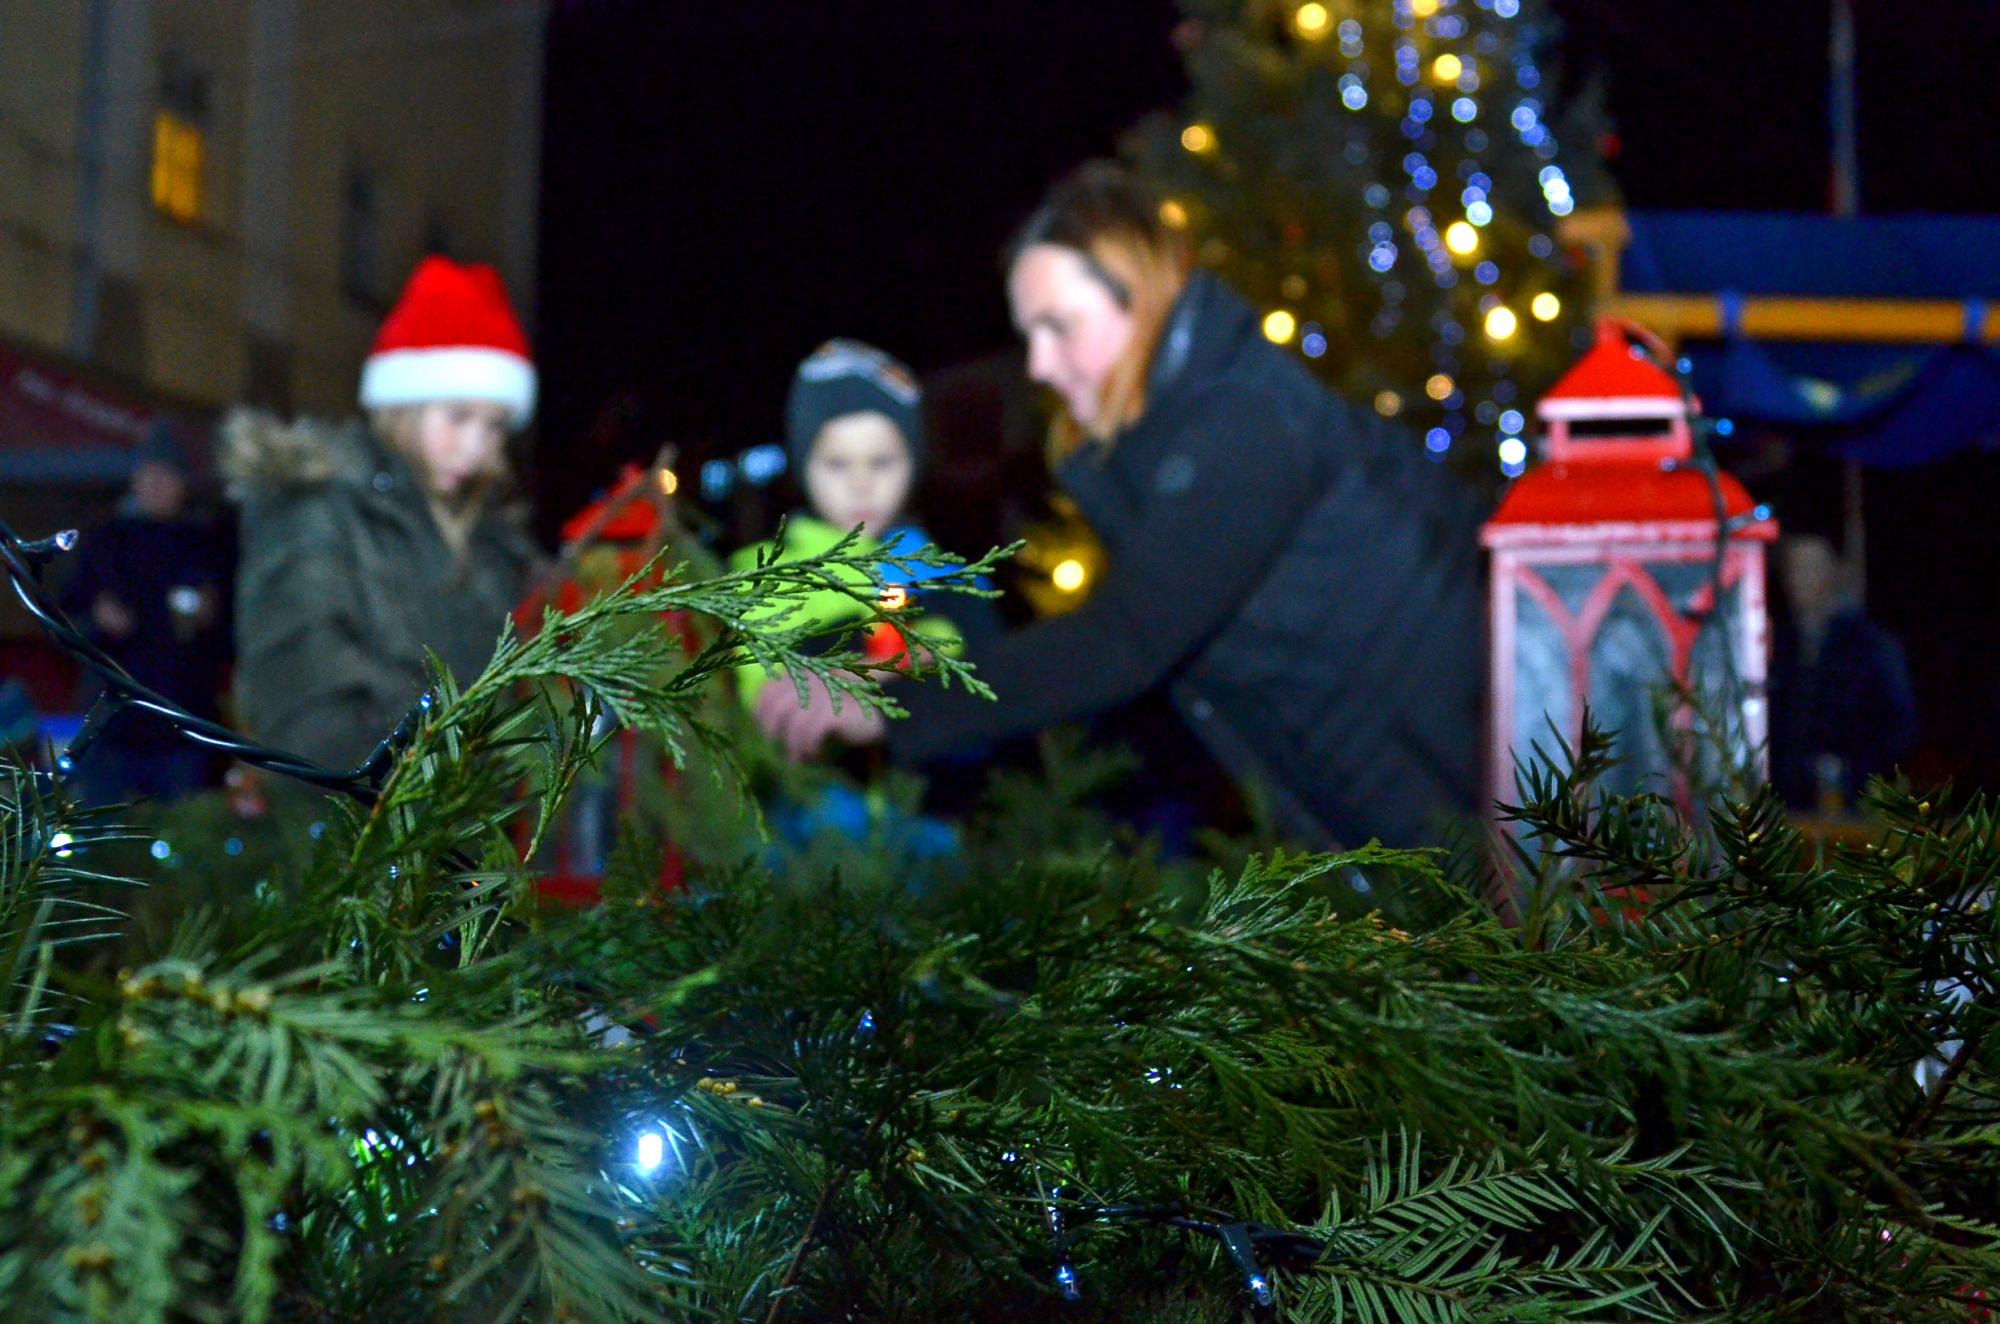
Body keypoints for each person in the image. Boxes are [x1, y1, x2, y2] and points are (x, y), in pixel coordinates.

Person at [757, 162, 1485, 848]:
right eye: (1028, 334)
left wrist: (894, 708)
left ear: (1139, 294)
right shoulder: (1165, 448)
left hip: (1477, 805)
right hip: (1399, 820)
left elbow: (1123, 638)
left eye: (1058, 325)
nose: (1038, 366)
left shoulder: (1245, 424)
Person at [225, 257, 544, 770]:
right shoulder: (320, 510)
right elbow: (306, 713)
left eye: (494, 426)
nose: (474, 447)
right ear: (404, 405)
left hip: (465, 832)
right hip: (350, 831)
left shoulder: (491, 538)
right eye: (458, 416)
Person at [733, 339, 964, 711]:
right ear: (804, 469)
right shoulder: (770, 578)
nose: (861, 484)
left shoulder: (931, 566)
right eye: (838, 464)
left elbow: (967, 654)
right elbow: (762, 697)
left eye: (882, 462)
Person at [58, 421, 233, 802]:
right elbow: (64, 619)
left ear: (183, 484)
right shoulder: (106, 540)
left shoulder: (205, 543)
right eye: (148, 475)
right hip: (110, 725)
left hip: (182, 725)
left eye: (165, 476)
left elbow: (231, 634)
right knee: (99, 840)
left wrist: (211, 615)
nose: (155, 485)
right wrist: (97, 620)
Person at [1768, 533, 1917, 812]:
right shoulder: (1779, 646)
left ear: (1833, 571)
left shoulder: (1871, 645)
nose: (1802, 579)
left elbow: (1900, 728)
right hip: (1788, 808)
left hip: (1858, 808)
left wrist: (1854, 771)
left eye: (1813, 567)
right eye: (1795, 568)